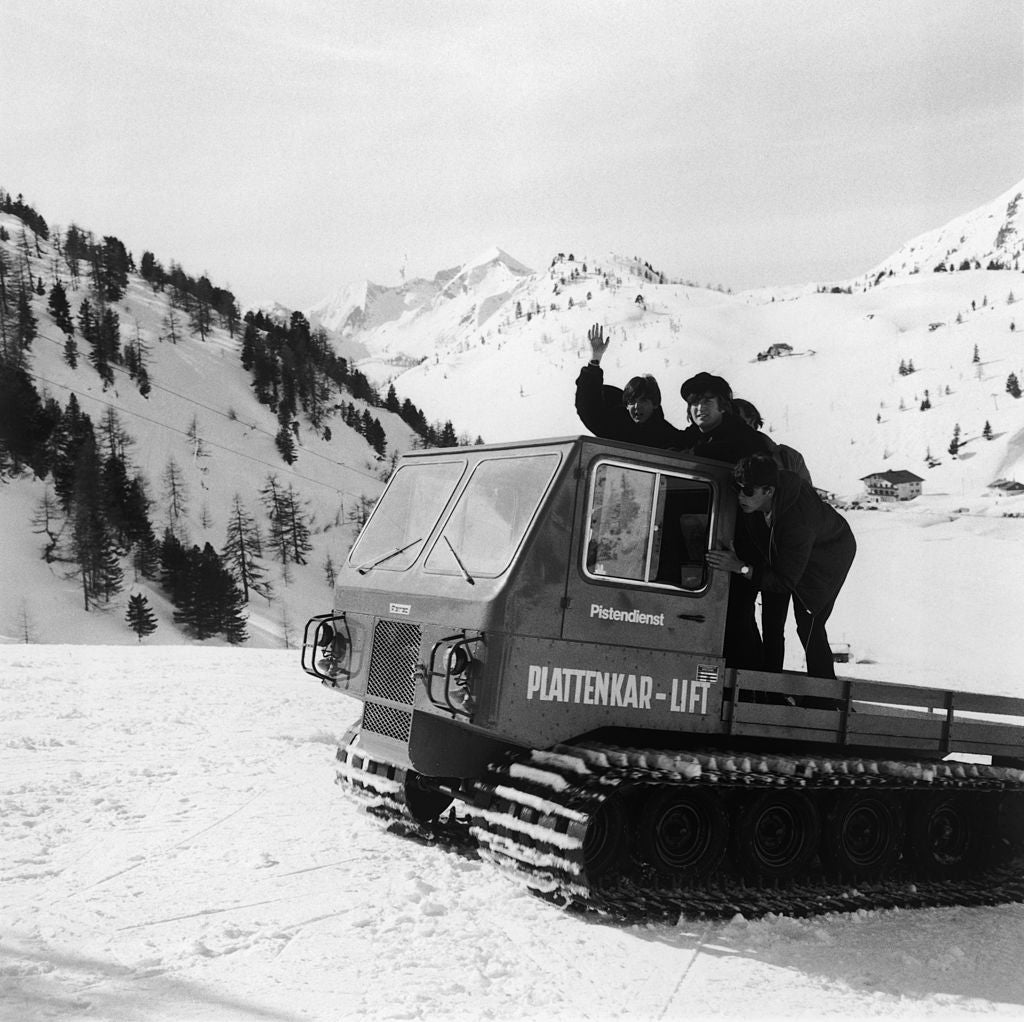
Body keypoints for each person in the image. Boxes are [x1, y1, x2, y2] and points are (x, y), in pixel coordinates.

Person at [706, 453, 856, 681]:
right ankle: (770, 686)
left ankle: (824, 698)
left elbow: (784, 581)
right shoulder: (757, 501)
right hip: (788, 553)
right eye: (738, 489)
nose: (740, 497)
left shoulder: (797, 523)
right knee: (772, 621)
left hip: (828, 555)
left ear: (769, 491)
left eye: (748, 491)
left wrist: (741, 568)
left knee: (808, 623)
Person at [731, 398, 811, 670]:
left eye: (747, 422)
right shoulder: (732, 454)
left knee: (774, 625)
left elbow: (803, 500)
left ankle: (770, 682)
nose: (743, 427)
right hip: (751, 550)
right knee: (743, 615)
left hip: (780, 554)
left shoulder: (784, 457)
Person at [574, 324, 686, 448]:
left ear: (655, 403)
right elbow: (588, 408)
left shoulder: (668, 437)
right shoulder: (616, 429)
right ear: (626, 405)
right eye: (632, 402)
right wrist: (595, 358)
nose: (637, 407)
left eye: (643, 400)